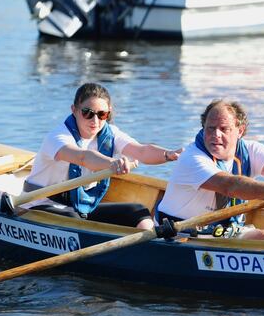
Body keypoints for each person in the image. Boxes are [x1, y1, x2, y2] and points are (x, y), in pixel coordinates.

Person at [24, 83, 182, 230]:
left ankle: (149, 246)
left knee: (138, 211)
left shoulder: (111, 134)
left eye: (102, 114)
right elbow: (83, 158)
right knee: (74, 221)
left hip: (82, 206)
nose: (95, 121)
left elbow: (141, 151)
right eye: (87, 113)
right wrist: (112, 163)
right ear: (74, 110)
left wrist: (168, 155)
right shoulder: (58, 137)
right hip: (42, 203)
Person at [156, 99, 264, 240]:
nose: (216, 134)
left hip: (223, 232)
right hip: (178, 234)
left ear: (239, 131)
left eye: (224, 129)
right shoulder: (192, 158)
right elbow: (230, 186)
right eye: (210, 128)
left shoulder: (252, 151)